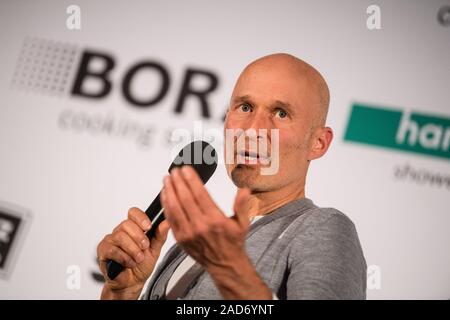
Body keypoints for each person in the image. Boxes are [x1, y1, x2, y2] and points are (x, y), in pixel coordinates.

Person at [96, 53, 367, 300]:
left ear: (318, 143)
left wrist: (231, 273)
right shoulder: (189, 249)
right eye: (245, 107)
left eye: (281, 113)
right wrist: (123, 291)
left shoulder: (322, 228)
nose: (253, 129)